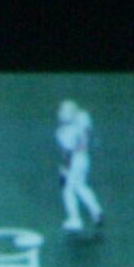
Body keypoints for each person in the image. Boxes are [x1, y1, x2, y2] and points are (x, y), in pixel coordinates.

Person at [54, 99, 103, 235]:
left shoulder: (63, 132)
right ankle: (96, 211)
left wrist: (64, 170)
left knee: (67, 189)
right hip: (84, 158)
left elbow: (67, 154)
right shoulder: (83, 117)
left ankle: (75, 219)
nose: (60, 113)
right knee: (81, 185)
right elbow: (87, 128)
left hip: (73, 161)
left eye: (63, 111)